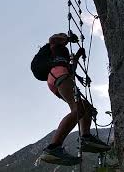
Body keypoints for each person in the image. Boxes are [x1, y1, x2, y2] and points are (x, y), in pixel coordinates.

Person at [39, 33, 110, 166]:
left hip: (59, 77)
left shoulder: (62, 57)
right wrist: (68, 39)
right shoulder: (56, 47)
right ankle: (53, 148)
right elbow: (53, 39)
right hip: (59, 75)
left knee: (86, 107)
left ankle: (86, 138)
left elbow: (71, 69)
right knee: (78, 109)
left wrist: (77, 56)